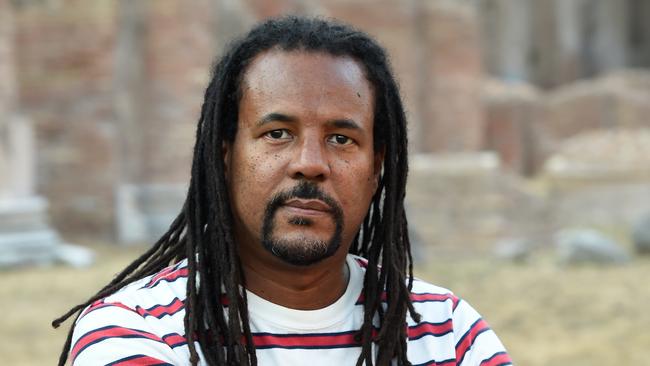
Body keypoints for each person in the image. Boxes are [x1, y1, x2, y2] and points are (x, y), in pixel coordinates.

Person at [53, 16, 512, 366]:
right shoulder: (133, 331)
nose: (310, 163)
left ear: (376, 169)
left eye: (341, 138)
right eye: (277, 133)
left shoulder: (446, 332)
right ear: (225, 156)